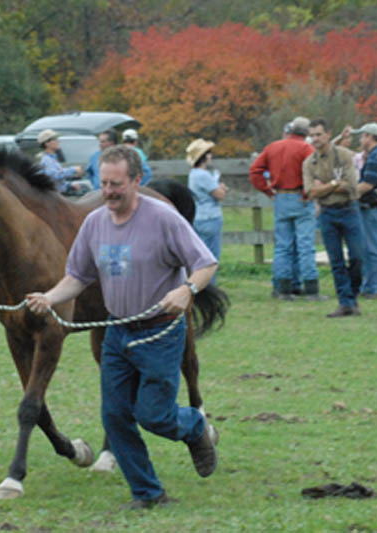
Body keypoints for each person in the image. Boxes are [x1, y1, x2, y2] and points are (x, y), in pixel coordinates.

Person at [26, 145, 218, 509]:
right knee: (114, 417)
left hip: (160, 330)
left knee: (154, 415)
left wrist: (186, 289)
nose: (109, 191)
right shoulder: (95, 223)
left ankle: (194, 428)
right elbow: (78, 276)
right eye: (104, 183)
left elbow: (206, 263)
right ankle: (148, 494)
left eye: (117, 184)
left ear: (136, 181)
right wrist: (50, 297)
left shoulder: (163, 218)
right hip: (118, 330)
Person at [249, 116, 321, 300]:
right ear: (306, 133)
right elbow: (315, 171)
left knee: (282, 246)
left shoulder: (273, 147)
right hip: (301, 198)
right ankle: (311, 288)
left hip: (280, 197)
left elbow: (255, 170)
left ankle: (282, 288)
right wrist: (307, 193)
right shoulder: (306, 148)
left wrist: (267, 190)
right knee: (305, 245)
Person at [303, 118, 366, 318]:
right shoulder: (309, 162)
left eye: (319, 134)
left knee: (358, 257)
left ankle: (353, 295)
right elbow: (310, 191)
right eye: (312, 135)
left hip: (349, 209)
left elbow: (350, 185)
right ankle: (345, 302)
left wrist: (324, 186)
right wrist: (332, 184)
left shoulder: (346, 156)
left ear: (328, 134)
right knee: (336, 260)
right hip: (327, 213)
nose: (315, 139)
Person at [351, 122, 377, 299]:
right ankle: (369, 286)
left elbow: (368, 184)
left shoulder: (376, 156)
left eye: (362, 136)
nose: (360, 139)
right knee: (368, 248)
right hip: (371, 206)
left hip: (374, 206)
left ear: (369, 136)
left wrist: (347, 192)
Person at [187, 138, 226, 284]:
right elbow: (219, 195)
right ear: (203, 157)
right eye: (208, 153)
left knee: (200, 254)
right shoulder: (203, 175)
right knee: (211, 256)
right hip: (210, 218)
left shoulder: (193, 174)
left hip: (199, 217)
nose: (211, 156)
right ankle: (209, 285)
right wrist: (221, 187)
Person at [38, 128, 82, 194]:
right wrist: (73, 169)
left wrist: (69, 185)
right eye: (54, 139)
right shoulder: (47, 160)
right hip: (54, 197)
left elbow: (57, 182)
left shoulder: (52, 159)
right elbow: (54, 175)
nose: (58, 141)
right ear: (47, 143)